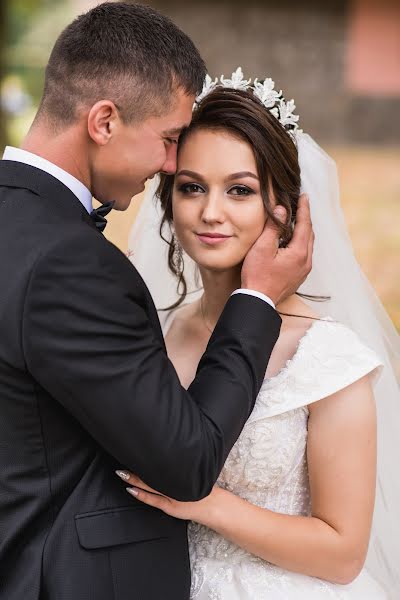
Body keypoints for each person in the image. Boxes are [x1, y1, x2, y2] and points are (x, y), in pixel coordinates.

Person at [0, 5, 313, 600]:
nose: (169, 168)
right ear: (104, 121)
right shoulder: (70, 263)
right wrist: (256, 301)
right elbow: (186, 462)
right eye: (170, 141)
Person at [125, 70, 400, 598]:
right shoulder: (157, 329)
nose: (210, 212)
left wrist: (202, 501)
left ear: (284, 210)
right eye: (191, 188)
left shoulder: (328, 359)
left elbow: (342, 553)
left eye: (240, 190)